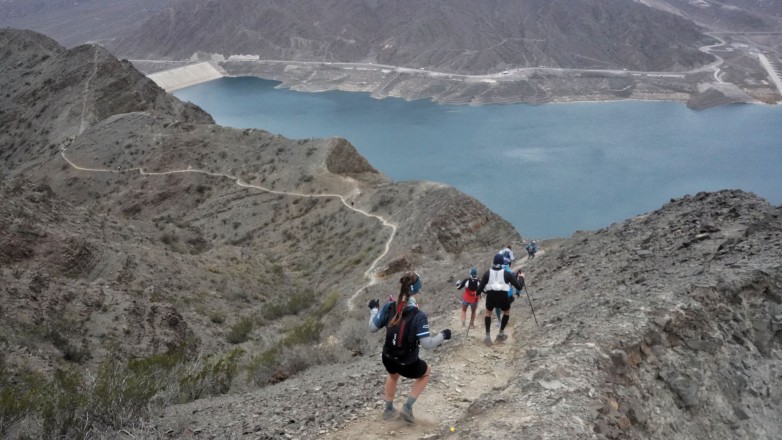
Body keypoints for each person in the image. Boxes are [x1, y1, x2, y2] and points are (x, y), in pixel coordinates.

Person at [368, 272, 451, 424]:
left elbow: (373, 328)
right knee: (425, 373)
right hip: (408, 363)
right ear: (418, 290)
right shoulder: (419, 315)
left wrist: (374, 310)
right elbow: (428, 344)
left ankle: (388, 410)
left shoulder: (389, 306)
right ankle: (407, 407)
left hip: (387, 358)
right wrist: (444, 335)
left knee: (393, 376)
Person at [477, 254, 524, 346]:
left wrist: (478, 294)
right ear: (502, 262)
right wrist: (521, 277)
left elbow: (479, 290)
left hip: (491, 297)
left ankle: (487, 336)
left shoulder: (487, 273)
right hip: (503, 298)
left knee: (488, 313)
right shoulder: (507, 274)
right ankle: (501, 333)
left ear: (493, 262)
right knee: (506, 312)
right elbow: (518, 286)